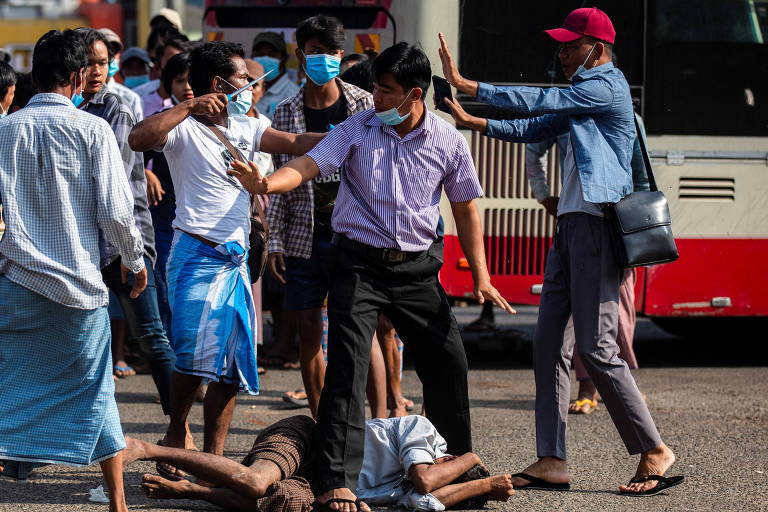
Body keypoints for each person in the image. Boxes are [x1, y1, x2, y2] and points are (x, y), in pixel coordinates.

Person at [227, 41, 514, 511]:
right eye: (375, 88)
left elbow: (465, 209)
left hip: (418, 268)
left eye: (385, 91)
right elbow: (306, 164)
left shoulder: (447, 141)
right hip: (358, 265)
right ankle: (337, 479)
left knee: (449, 361)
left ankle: (455, 462)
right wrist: (265, 182)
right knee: (348, 366)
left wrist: (481, 276)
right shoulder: (357, 127)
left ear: (414, 94)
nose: (374, 98)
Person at [436, 7, 684, 496]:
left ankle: (654, 450)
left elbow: (546, 97)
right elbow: (536, 125)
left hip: (597, 226)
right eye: (563, 44)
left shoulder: (605, 86)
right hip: (569, 227)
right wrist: (475, 121)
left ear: (598, 47)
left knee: (598, 348)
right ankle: (552, 461)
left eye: (571, 45)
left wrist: (472, 85)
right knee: (549, 346)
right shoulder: (580, 99)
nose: (563, 53)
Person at [128, 40, 325, 470]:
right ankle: (176, 428)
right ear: (220, 84)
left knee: (231, 371)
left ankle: (214, 462)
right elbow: (138, 137)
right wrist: (190, 106)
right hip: (194, 255)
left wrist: (348, 136)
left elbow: (295, 141)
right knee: (194, 361)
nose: (251, 87)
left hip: (236, 262)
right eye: (244, 79)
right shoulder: (181, 127)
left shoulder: (250, 125)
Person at [0, 29, 147, 511]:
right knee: (96, 392)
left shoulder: (7, 129)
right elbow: (116, 212)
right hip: (80, 288)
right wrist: (134, 259)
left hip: (17, 283)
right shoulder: (92, 129)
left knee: (11, 389)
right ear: (80, 75)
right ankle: (118, 505)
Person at [266, 14, 384, 419]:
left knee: (360, 331)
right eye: (314, 52)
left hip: (355, 235)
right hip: (304, 234)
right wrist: (275, 241)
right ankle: (321, 423)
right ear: (301, 55)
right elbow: (282, 178)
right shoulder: (284, 111)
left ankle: (380, 422)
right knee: (308, 333)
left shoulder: (364, 104)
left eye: (330, 52)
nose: (323, 60)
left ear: (340, 54)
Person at [75, 27, 178, 415]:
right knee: (90, 341)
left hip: (126, 238)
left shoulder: (113, 108)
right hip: (86, 243)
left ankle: (178, 423)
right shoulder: (71, 108)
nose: (96, 71)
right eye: (88, 63)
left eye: (102, 63)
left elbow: (112, 178)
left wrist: (128, 251)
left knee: (151, 335)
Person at [122, 415, 516, 512]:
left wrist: (480, 487)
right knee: (257, 482)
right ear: (449, 459)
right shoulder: (423, 431)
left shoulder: (406, 490)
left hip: (316, 482)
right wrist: (475, 460)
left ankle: (196, 491)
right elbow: (426, 481)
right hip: (308, 440)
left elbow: (423, 499)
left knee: (291, 505)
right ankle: (147, 449)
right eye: (451, 468)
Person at [99, 28, 144, 123]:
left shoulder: (130, 98)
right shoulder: (79, 96)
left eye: (114, 52)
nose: (110, 56)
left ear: (119, 55)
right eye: (106, 50)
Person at [252, 31, 300, 119]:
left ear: (284, 59)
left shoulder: (294, 95)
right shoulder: (246, 90)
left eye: (271, 54)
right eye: (260, 54)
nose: (265, 58)